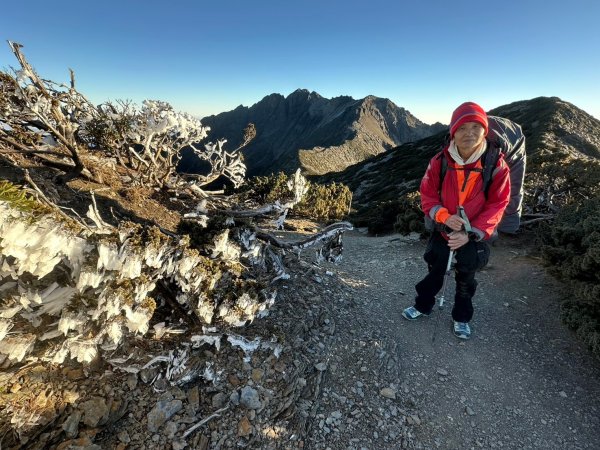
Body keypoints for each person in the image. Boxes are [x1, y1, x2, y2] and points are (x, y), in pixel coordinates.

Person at [402, 102, 511, 339]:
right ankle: (422, 305)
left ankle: (461, 317)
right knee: (435, 268)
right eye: (462, 127)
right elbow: (428, 195)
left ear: (485, 131)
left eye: (476, 127)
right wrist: (444, 217)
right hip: (444, 229)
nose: (469, 133)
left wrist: (470, 233)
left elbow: (498, 204)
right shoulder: (440, 161)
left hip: (474, 234)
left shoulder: (495, 165)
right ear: (453, 131)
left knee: (466, 276)